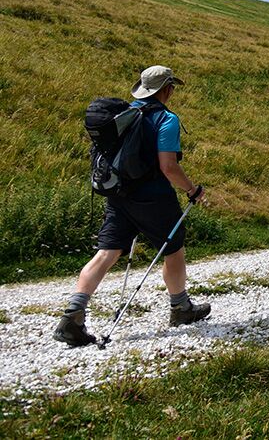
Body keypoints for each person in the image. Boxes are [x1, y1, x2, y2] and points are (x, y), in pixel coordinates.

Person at [54, 65, 210, 347]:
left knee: (107, 252)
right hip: (152, 197)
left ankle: (72, 315)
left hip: (118, 195)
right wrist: (192, 190)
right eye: (171, 87)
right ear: (166, 89)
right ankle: (181, 308)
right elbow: (168, 166)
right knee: (173, 249)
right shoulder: (166, 119)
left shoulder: (123, 114)